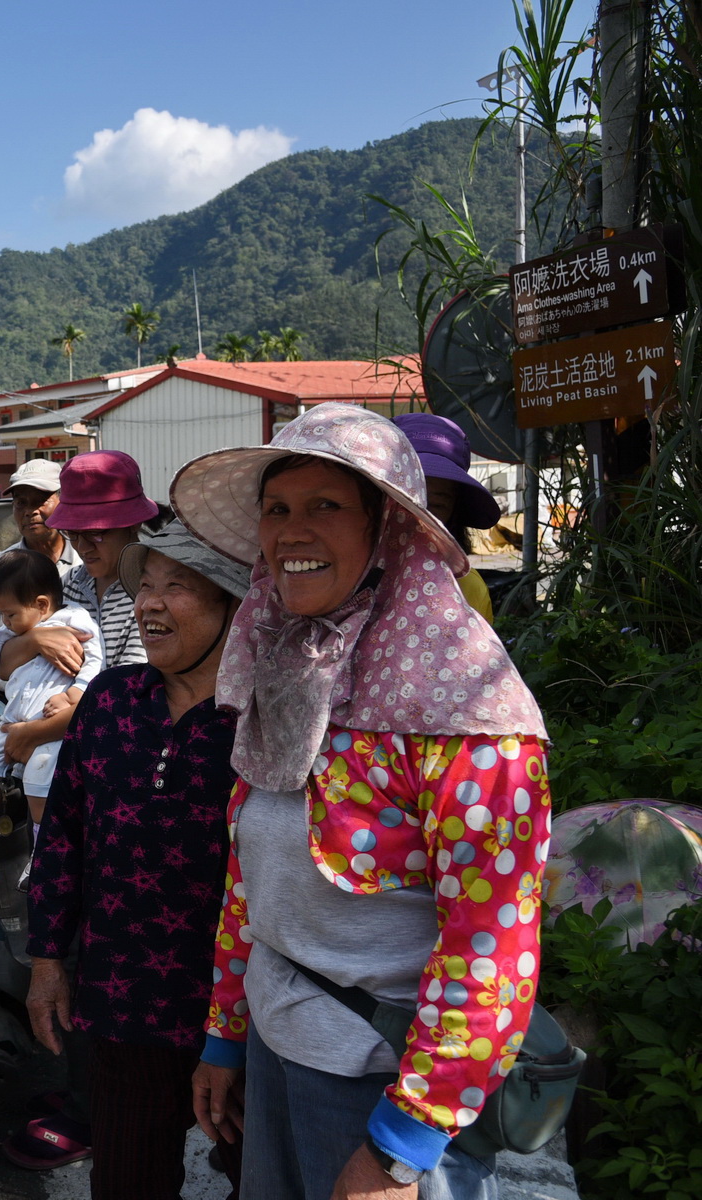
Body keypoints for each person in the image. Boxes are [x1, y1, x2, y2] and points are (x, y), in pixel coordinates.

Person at [177, 404, 552, 1200]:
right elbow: (252, 876)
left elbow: (491, 951)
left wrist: (399, 1148)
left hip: (383, 1082)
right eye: (276, 509)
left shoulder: (469, 717)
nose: (290, 532)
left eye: (326, 506)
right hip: (281, 1050)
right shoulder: (289, 678)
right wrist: (226, 1034)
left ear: (387, 532)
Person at [24, 521, 248, 1198]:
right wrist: (46, 960)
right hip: (122, 1002)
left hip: (237, 1015)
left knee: (259, 1177)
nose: (150, 603)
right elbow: (62, 833)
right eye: (144, 585)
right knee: (127, 1182)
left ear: (233, 606)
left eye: (176, 587)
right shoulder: (112, 700)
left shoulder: (263, 717)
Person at [0, 450, 160, 800]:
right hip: (57, 766)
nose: (82, 547)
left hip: (119, 767)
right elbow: (3, 665)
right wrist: (36, 640)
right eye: (75, 535)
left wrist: (35, 732)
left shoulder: (150, 591)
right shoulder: (69, 584)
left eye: (96, 534)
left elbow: (125, 694)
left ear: (131, 524)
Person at [0, 550, 103, 877]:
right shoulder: (13, 630)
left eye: (9, 614)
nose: (4, 621)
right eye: (1, 615)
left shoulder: (75, 620)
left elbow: (94, 659)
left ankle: (43, 853)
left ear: (42, 605)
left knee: (37, 784)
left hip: (51, 723)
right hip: (13, 718)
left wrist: (74, 694)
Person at [0, 459, 90, 658]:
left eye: (40, 500)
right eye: (21, 503)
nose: (30, 511)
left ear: (63, 502)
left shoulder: (86, 563)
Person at [393, 413, 502, 624]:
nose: (421, 516)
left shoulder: (468, 590)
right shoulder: (339, 579)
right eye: (406, 499)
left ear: (453, 513)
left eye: (436, 505)